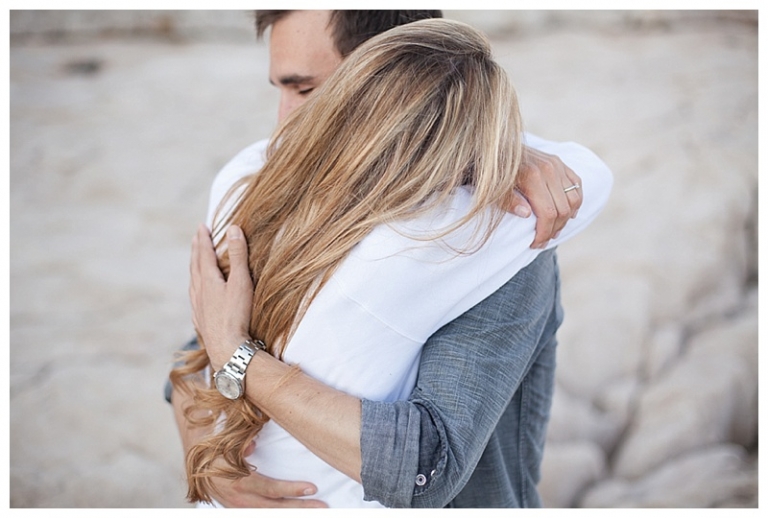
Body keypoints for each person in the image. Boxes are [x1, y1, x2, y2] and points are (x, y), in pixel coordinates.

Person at [168, 10, 612, 508]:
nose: (281, 124)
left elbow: (427, 463)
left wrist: (239, 358)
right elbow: (198, 349)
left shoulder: (498, 240)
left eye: (307, 91)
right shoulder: (280, 185)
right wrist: (207, 462)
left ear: (392, 77)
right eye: (281, 89)